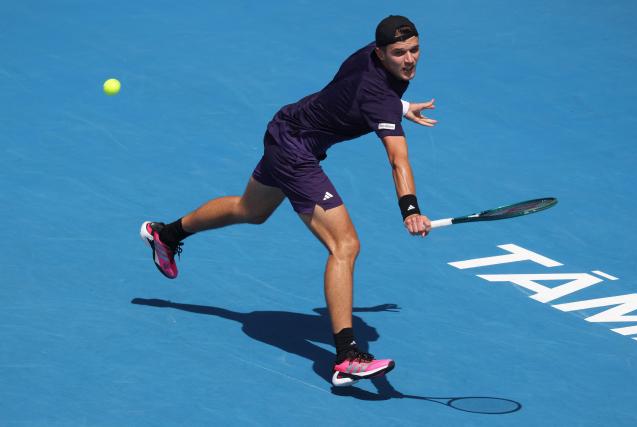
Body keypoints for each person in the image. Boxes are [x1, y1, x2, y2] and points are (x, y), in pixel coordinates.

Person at [140, 15, 437, 387]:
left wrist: (402, 106)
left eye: (414, 50)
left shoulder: (368, 61)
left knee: (251, 211)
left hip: (287, 127)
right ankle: (347, 356)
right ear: (379, 52)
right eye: (399, 53)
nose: (409, 59)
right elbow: (398, 158)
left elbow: (362, 93)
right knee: (345, 245)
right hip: (296, 150)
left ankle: (165, 234)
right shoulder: (378, 96)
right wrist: (410, 210)